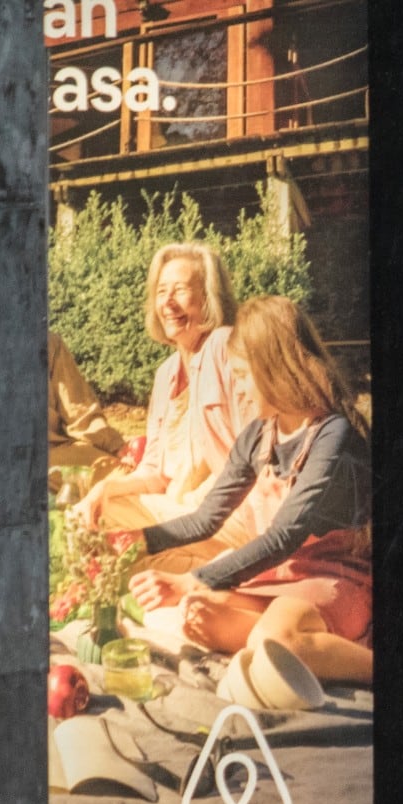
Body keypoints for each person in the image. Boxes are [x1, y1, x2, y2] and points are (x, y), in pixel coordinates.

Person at [125, 296, 372, 683]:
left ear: (273, 369)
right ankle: (284, 650)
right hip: (281, 578)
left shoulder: (332, 434)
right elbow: (206, 518)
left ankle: (378, 666)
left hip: (338, 580)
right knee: (194, 617)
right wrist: (135, 541)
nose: (236, 388)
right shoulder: (259, 435)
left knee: (274, 639)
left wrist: (192, 579)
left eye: (241, 374)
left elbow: (283, 537)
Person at [75, 242, 254, 571]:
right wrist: (104, 488)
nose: (168, 304)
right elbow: (154, 472)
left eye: (181, 290)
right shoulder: (166, 373)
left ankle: (186, 568)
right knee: (92, 515)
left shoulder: (225, 348)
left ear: (210, 297)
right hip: (175, 509)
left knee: (129, 555)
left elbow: (253, 459)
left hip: (225, 515)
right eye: (161, 292)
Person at [47, 330, 126, 497]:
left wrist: (116, 446)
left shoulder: (48, 342)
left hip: (52, 455)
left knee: (121, 475)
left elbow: (79, 412)